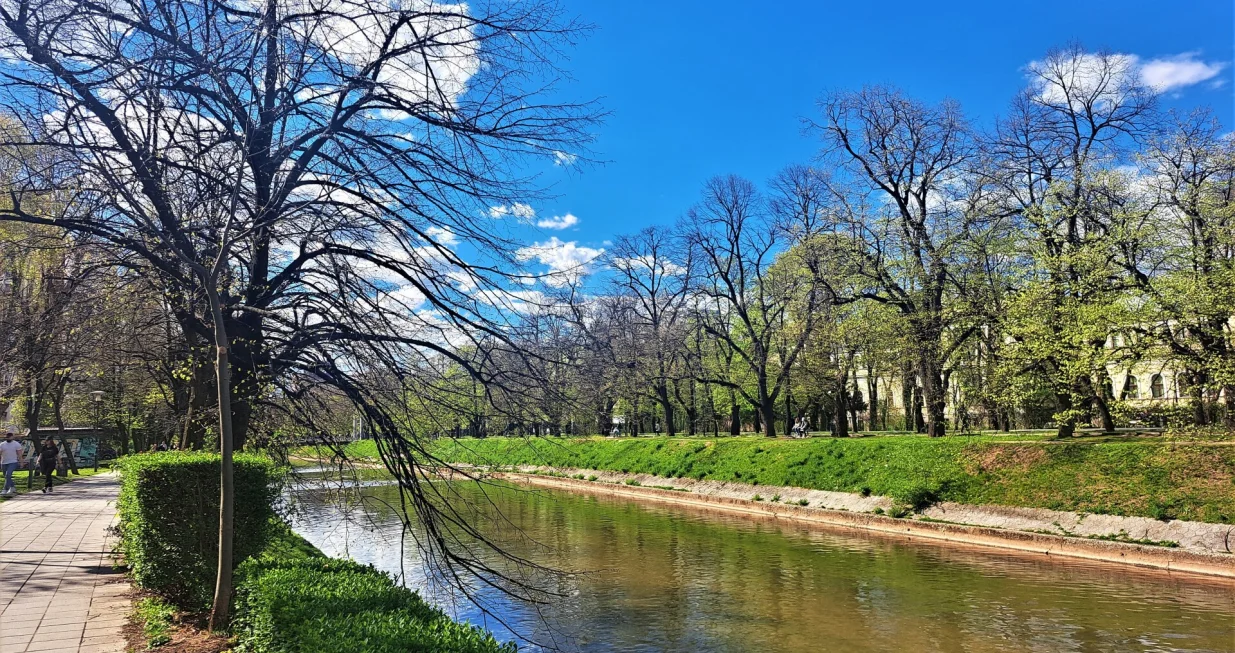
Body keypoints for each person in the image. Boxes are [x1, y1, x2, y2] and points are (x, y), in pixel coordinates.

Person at [1, 430, 22, 495]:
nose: (8, 438)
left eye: (10, 437)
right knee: (6, 476)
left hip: (13, 462)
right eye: (7, 436)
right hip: (4, 462)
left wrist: (21, 462)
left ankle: (5, 489)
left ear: (12, 437)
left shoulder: (16, 444)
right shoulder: (2, 444)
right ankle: (12, 487)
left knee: (8, 475)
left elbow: (19, 454)